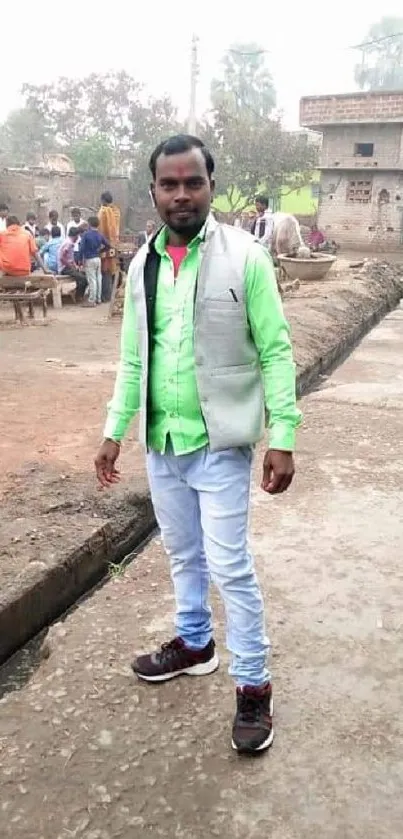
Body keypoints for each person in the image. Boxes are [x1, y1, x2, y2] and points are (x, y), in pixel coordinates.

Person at [95, 134, 301, 755]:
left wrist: (282, 435)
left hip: (220, 444)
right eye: (169, 184)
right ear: (154, 191)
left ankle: (254, 686)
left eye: (193, 182)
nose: (181, 194)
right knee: (183, 555)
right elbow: (134, 358)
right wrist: (113, 431)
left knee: (231, 566)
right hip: (162, 442)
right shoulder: (143, 265)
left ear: (211, 186)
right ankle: (194, 643)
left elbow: (276, 349)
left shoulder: (246, 257)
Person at [78, 216, 109, 306]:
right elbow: (108, 245)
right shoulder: (100, 234)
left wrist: (79, 260)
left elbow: (82, 248)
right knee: (98, 278)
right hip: (98, 258)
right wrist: (101, 251)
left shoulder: (86, 235)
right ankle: (98, 299)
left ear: (89, 224)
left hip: (89, 259)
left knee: (92, 280)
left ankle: (92, 300)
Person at [98, 191, 120, 302]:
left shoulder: (103, 211)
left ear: (103, 199)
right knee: (111, 269)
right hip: (113, 245)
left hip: (104, 246)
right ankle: (110, 294)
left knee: (104, 270)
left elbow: (100, 229)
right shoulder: (115, 211)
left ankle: (105, 296)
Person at [58, 226, 87, 299]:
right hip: (64, 268)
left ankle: (75, 293)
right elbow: (62, 258)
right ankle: (78, 296)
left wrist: (75, 266)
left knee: (83, 274)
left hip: (68, 267)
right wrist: (70, 266)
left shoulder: (69, 242)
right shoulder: (68, 243)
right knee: (83, 279)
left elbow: (71, 257)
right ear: (76, 235)